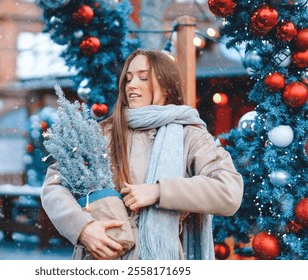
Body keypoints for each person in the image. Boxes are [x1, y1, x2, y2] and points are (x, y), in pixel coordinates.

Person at [41, 49, 244, 260]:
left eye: (143, 77)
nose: (132, 85)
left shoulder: (190, 135)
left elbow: (228, 191)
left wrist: (159, 191)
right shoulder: (102, 133)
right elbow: (54, 185)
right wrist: (83, 228)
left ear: (166, 85)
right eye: (128, 79)